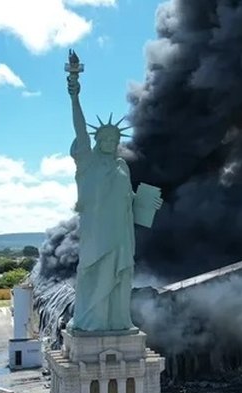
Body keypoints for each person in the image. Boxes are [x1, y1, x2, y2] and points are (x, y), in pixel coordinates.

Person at [64, 55, 162, 332]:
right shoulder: (87, 161)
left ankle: (119, 321)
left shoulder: (122, 166)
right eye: (104, 138)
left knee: (121, 277)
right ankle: (90, 321)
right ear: (96, 141)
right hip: (97, 234)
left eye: (114, 139)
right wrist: (74, 93)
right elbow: (79, 128)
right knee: (93, 275)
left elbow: (127, 198)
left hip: (121, 234)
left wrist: (145, 203)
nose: (109, 142)